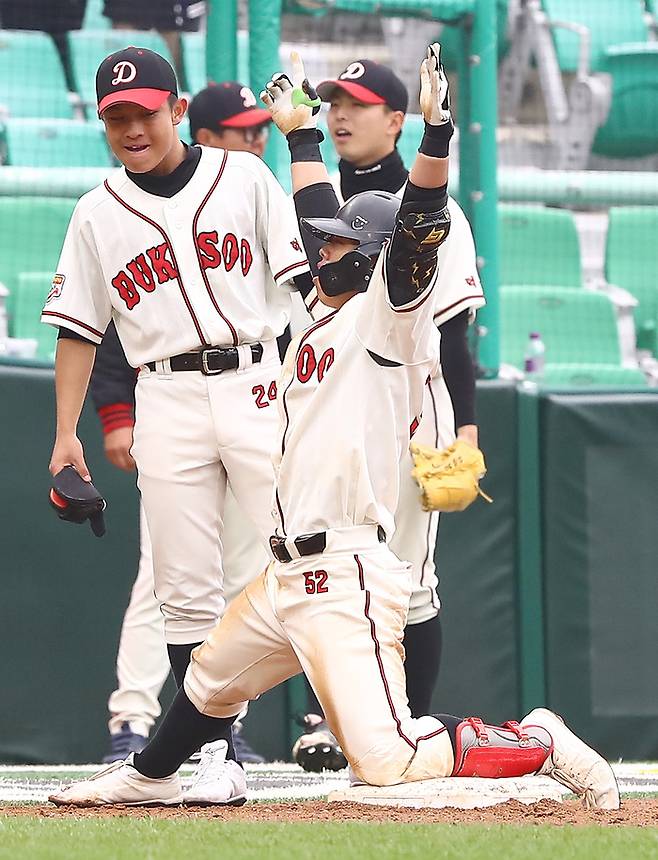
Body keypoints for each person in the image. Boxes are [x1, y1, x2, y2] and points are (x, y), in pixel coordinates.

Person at [49, 45, 619, 812]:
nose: (326, 249)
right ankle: (151, 770)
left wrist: (436, 140)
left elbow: (415, 232)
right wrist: (303, 140)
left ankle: (538, 739)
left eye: (346, 245)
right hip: (284, 577)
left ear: (377, 262)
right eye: (331, 242)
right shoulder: (318, 316)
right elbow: (321, 219)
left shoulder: (387, 316)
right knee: (209, 678)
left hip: (339, 572)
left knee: (384, 759)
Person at [42, 45, 310, 800]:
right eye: (116, 116)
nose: (132, 127)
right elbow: (77, 331)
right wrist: (67, 436)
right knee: (185, 589)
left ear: (179, 109)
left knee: (301, 553)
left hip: (260, 377)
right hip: (166, 394)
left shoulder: (245, 176)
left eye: (145, 112)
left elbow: (305, 287)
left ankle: (363, 715)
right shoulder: (97, 212)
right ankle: (215, 751)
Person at [291, 59, 485, 771]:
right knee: (331, 563)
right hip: (328, 398)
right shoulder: (321, 203)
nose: (342, 115)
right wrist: (300, 138)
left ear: (396, 119)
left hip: (409, 397)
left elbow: (455, 330)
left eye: (360, 104)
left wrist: (463, 428)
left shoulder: (435, 207)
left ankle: (414, 719)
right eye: (334, 101)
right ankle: (328, 718)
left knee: (408, 577)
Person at [92, 81, 276, 766]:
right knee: (166, 580)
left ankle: (216, 728)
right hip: (167, 400)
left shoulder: (248, 196)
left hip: (249, 397)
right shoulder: (128, 208)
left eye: (260, 131)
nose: (254, 141)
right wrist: (116, 416)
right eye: (240, 130)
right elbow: (116, 325)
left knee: (251, 571)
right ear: (197, 129)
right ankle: (135, 720)